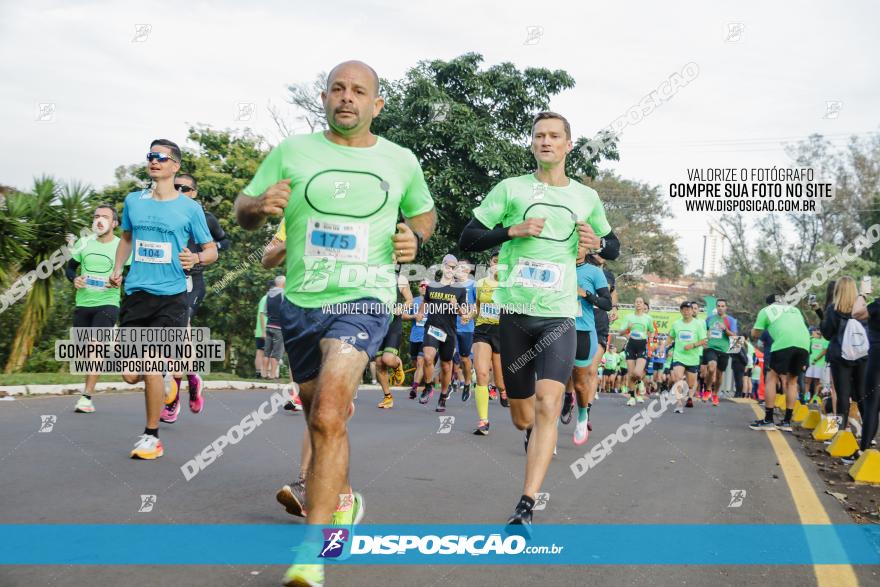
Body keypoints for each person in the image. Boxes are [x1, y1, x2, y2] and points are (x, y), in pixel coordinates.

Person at [233, 60, 436, 587]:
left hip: (365, 296)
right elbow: (243, 211)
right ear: (324, 98)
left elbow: (423, 214)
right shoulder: (291, 152)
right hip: (300, 302)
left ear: (377, 104)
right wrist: (257, 205)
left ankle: (311, 553)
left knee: (328, 409)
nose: (348, 98)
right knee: (315, 415)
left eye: (359, 91)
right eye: (338, 89)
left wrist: (415, 238)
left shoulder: (400, 160)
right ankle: (343, 498)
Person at [459, 111, 619, 531]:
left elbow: (613, 244)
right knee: (522, 416)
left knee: (549, 404)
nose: (545, 141)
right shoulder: (511, 189)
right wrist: (511, 231)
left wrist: (598, 242)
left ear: (568, 145)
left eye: (554, 136)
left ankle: (526, 503)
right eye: (538, 136)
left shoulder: (585, 197)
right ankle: (533, 432)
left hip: (558, 316)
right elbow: (468, 238)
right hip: (514, 314)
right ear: (532, 144)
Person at [109, 139, 217, 459]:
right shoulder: (133, 201)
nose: (154, 161)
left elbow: (210, 250)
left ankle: (151, 436)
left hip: (171, 295)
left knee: (152, 360)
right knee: (131, 374)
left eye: (162, 157)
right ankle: (165, 382)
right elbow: (126, 238)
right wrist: (118, 267)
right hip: (135, 293)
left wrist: (195, 260)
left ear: (175, 166)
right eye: (151, 156)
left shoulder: (190, 208)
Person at [162, 172, 231, 421]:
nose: (180, 191)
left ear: (195, 193)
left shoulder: (205, 218)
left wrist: (203, 254)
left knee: (183, 330)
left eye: (186, 189)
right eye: (176, 187)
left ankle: (171, 401)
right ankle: (191, 378)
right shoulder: (162, 213)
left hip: (192, 280)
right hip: (164, 281)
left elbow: (225, 241)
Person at [66, 204, 130, 413]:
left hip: (108, 303)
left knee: (95, 345)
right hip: (83, 304)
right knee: (85, 351)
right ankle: (113, 353)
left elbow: (131, 275)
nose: (99, 220)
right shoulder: (83, 243)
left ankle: (86, 397)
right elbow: (69, 268)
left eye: (104, 217)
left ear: (115, 223)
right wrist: (74, 279)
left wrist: (121, 279)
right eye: (96, 216)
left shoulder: (122, 246)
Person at [749, 294, 811, 431]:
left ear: (769, 303)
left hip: (783, 343)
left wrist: (754, 331)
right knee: (792, 381)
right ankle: (787, 422)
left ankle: (769, 420)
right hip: (804, 344)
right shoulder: (794, 310)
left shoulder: (767, 310)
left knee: (771, 378)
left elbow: (755, 334)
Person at [569, 253, 612, 444]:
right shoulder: (557, 265)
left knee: (579, 383)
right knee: (551, 383)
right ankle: (548, 434)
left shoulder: (594, 272)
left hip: (583, 331)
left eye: (581, 244)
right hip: (556, 329)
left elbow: (607, 303)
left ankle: (582, 415)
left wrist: (586, 294)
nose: (577, 247)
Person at [820, 276, 868, 441]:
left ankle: (841, 435)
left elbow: (826, 334)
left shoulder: (833, 309)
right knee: (862, 395)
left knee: (841, 395)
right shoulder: (863, 310)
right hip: (862, 356)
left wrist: (821, 315)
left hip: (840, 356)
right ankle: (868, 438)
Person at [418, 254, 468, 412]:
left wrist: (456, 306)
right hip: (432, 328)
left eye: (453, 267)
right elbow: (425, 302)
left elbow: (464, 314)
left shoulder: (459, 290)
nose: (450, 269)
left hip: (449, 332)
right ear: (442, 266)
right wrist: (420, 313)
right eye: (447, 266)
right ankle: (428, 386)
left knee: (447, 367)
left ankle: (443, 397)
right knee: (427, 357)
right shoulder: (432, 286)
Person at [472, 251, 507, 434]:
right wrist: (468, 315)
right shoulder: (480, 284)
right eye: (495, 261)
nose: (497, 265)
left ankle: (502, 390)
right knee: (482, 374)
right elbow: (477, 307)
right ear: (490, 263)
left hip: (502, 332)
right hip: (482, 331)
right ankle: (483, 421)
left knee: (500, 380)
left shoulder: (510, 285)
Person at [376, 274, 412, 409]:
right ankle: (387, 397)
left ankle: (397, 365)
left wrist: (401, 308)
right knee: (379, 362)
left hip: (393, 325)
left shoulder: (400, 279)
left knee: (388, 359)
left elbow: (409, 300)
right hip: (377, 326)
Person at [668, 301, 708, 412]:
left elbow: (704, 340)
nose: (686, 311)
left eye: (688, 309)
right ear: (681, 311)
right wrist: (663, 347)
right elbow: (670, 337)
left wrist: (693, 345)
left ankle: (688, 393)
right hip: (678, 356)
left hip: (692, 358)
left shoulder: (698, 324)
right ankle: (679, 404)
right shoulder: (676, 324)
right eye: (684, 309)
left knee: (690, 385)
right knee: (677, 379)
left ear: (692, 311)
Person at [619, 297, 655, 406]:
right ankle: (632, 396)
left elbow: (652, 332)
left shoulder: (648, 318)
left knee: (638, 373)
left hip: (642, 346)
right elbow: (620, 332)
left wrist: (651, 341)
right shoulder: (628, 317)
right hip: (631, 346)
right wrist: (627, 330)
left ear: (644, 305)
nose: (638, 303)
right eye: (637, 302)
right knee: (631, 373)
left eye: (641, 302)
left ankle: (639, 382)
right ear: (634, 304)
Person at [454, 258, 478, 401]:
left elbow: (477, 305)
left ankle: (468, 383)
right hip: (451, 326)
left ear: (469, 270)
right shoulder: (451, 285)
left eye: (464, 267)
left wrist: (469, 316)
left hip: (466, 327)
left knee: (464, 358)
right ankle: (450, 384)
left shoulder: (474, 285)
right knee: (450, 358)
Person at [704, 299, 736, 406]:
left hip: (724, 350)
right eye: (719, 306)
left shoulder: (730, 320)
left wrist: (725, 329)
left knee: (719, 374)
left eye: (723, 306)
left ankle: (715, 394)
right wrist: (705, 337)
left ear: (726, 308)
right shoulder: (709, 318)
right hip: (711, 347)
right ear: (716, 307)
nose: (720, 308)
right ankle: (708, 389)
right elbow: (704, 331)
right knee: (711, 367)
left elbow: (735, 337)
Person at [403, 280, 429, 399]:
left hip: (427, 337)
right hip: (414, 337)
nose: (424, 287)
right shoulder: (413, 301)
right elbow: (403, 315)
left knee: (420, 362)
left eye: (426, 286)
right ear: (419, 288)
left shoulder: (434, 302)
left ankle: (414, 387)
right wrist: (414, 316)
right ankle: (427, 382)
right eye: (422, 285)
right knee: (416, 363)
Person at [263, 276, 287, 379]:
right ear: (283, 284)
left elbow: (265, 312)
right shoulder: (283, 294)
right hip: (279, 328)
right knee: (276, 353)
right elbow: (286, 310)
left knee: (267, 352)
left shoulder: (268, 294)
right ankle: (272, 375)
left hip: (269, 325)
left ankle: (264, 374)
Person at [805, 327, 829, 403]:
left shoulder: (826, 340)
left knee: (817, 382)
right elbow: (806, 344)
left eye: (820, 330)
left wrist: (816, 359)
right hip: (811, 363)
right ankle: (806, 398)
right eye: (817, 330)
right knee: (807, 381)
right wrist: (811, 336)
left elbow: (824, 351)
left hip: (819, 364)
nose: (818, 332)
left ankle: (814, 399)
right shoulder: (812, 339)